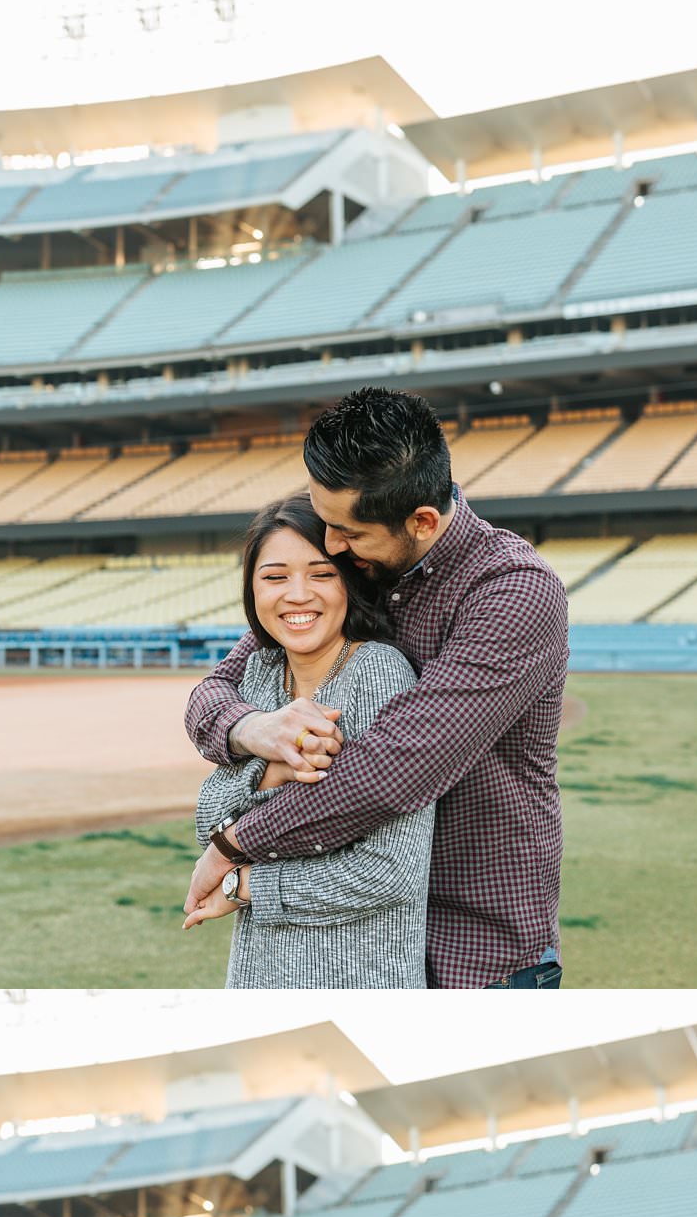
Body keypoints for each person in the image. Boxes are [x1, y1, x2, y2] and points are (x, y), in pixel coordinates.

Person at [180, 386, 569, 990]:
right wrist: (253, 730)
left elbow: (393, 770)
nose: (332, 546)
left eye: (348, 533)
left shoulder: (512, 592)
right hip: (354, 946)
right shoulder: (365, 565)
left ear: (422, 522)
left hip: (477, 948)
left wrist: (233, 847)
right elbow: (217, 689)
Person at [183, 494, 433, 987]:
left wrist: (247, 884)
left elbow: (390, 871)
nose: (297, 595)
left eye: (321, 574)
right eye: (275, 577)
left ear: (350, 583)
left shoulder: (378, 673)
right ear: (252, 590)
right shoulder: (261, 671)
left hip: (360, 985)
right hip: (257, 980)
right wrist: (270, 768)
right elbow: (208, 818)